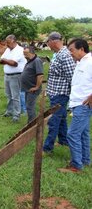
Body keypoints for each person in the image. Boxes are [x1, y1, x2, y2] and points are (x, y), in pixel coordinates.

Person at [58, 38, 92, 173]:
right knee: (83, 133)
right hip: (78, 103)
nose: (70, 53)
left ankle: (76, 165)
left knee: (72, 134)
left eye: (72, 50)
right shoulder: (81, 62)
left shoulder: (90, 62)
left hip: (83, 104)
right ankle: (85, 160)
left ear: (81, 49)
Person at [43, 32, 76, 154]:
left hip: (60, 94)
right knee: (61, 118)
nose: (47, 44)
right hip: (55, 92)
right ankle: (63, 140)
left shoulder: (65, 55)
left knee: (53, 120)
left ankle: (47, 148)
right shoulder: (57, 54)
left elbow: (72, 76)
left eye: (48, 42)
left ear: (53, 41)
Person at [0, 34, 27, 122]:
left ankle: (16, 115)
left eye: (8, 42)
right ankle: (9, 111)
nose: (6, 44)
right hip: (7, 75)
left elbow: (14, 63)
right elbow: (1, 61)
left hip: (16, 75)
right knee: (8, 95)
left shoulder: (19, 50)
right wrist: (7, 61)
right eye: (6, 42)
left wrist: (5, 60)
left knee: (15, 96)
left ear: (14, 41)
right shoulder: (8, 49)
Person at [20, 45, 44, 123]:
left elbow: (40, 75)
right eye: (24, 53)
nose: (24, 55)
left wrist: (36, 87)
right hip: (28, 88)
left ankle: (32, 125)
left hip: (32, 89)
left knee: (30, 107)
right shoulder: (29, 61)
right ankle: (30, 123)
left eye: (26, 53)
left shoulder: (37, 61)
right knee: (28, 106)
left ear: (31, 52)